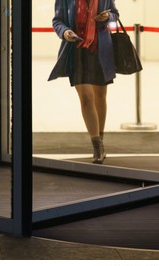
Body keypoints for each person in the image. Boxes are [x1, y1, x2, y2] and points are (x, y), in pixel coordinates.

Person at [48, 0, 119, 164]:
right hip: (77, 51)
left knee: (100, 96)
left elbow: (115, 14)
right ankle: (97, 146)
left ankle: (100, 137)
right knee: (86, 98)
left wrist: (108, 16)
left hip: (100, 50)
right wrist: (65, 32)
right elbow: (57, 21)